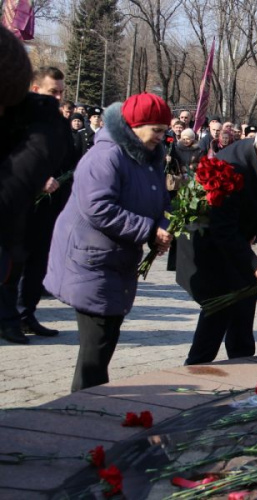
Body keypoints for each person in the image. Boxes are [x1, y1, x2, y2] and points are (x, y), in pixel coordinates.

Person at [44, 93, 173, 389]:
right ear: (134, 126)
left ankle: (90, 407)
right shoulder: (107, 155)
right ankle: (81, 415)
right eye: (157, 130)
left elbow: (161, 200)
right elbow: (98, 208)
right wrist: (149, 231)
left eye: (164, 130)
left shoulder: (148, 157)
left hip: (114, 261)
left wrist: (164, 226)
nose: (162, 136)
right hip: (89, 260)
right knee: (96, 349)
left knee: (103, 344)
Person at [178, 121, 257, 365]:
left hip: (234, 239)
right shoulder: (232, 167)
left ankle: (243, 364)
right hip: (207, 244)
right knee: (219, 306)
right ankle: (196, 369)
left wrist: (254, 234)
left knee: (245, 297)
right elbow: (223, 228)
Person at [0, 30, 72, 344]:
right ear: (33, 89)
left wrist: (57, 178)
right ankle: (9, 319)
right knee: (12, 264)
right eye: (51, 92)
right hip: (20, 207)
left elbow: (74, 162)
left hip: (49, 205)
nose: (56, 99)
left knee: (38, 263)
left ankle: (27, 313)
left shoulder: (56, 127)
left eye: (60, 93)